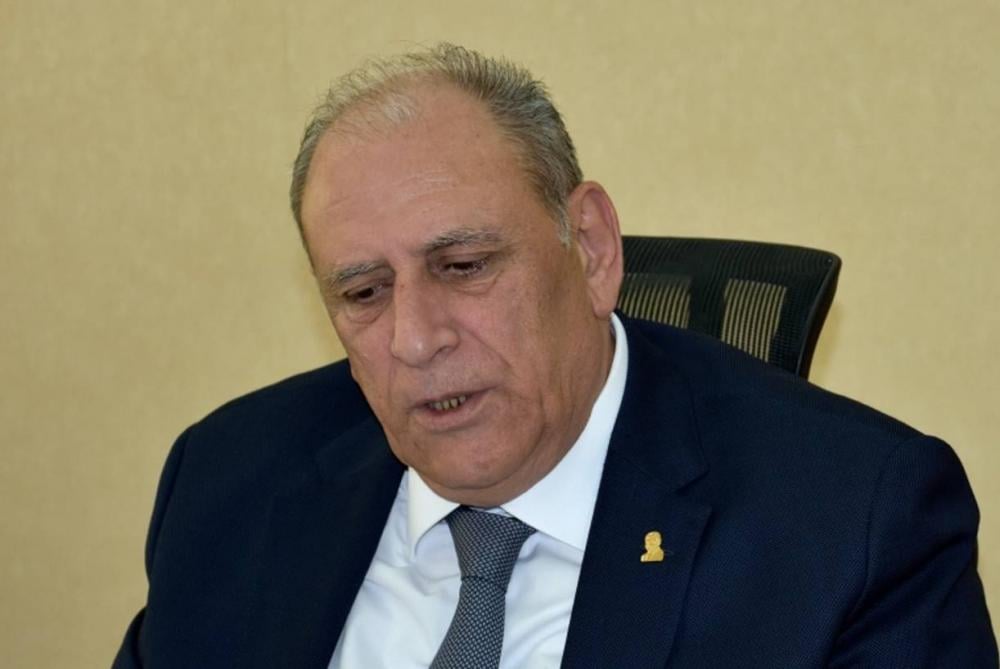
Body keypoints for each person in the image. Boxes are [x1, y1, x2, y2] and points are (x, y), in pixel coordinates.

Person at [113, 43, 997, 668]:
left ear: (594, 249)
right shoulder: (227, 483)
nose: (415, 339)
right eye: (364, 292)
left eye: (464, 266)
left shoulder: (853, 528)